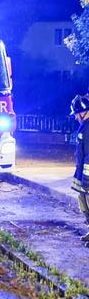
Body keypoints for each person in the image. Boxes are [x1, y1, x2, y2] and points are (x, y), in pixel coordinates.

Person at [69, 94, 89, 246]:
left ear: (84, 112)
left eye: (77, 114)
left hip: (87, 174)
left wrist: (86, 177)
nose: (76, 117)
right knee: (82, 201)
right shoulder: (84, 126)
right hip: (83, 173)